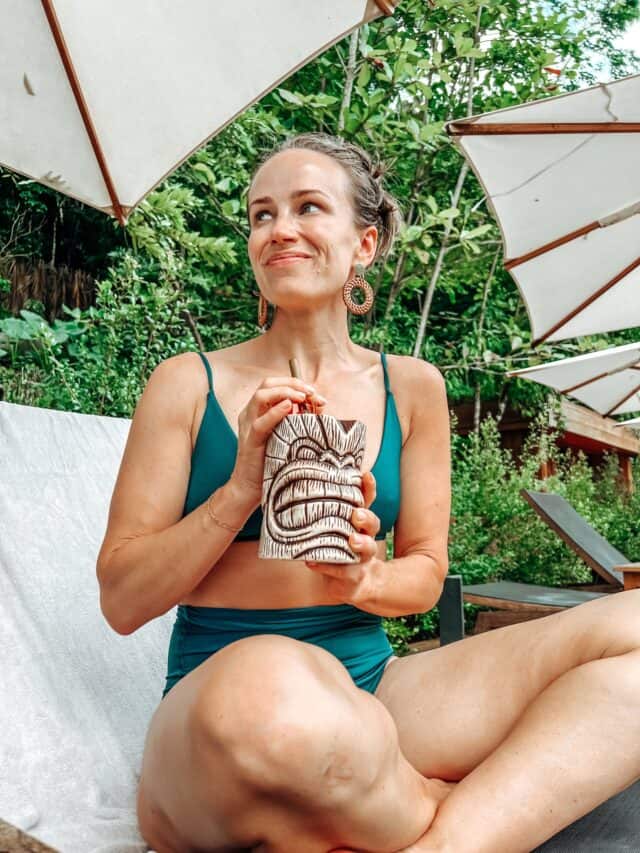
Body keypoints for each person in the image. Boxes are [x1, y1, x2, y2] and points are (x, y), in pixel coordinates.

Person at [97, 132, 640, 853]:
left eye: (308, 207)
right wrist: (238, 489)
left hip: (371, 681)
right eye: (261, 215)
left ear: (365, 243)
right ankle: (445, 801)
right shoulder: (187, 384)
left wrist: (366, 576)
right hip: (224, 693)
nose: (278, 228)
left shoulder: (412, 387)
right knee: (274, 700)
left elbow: (425, 572)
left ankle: (445, 841)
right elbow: (122, 600)